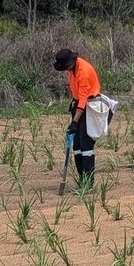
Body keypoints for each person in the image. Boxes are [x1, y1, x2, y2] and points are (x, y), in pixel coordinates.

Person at [53, 48, 100, 186]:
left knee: (86, 146)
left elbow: (84, 99)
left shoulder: (83, 71)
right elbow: (77, 95)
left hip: (88, 107)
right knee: (77, 146)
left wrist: (75, 121)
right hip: (78, 105)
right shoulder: (72, 69)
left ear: (71, 62)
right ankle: (82, 181)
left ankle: (88, 184)